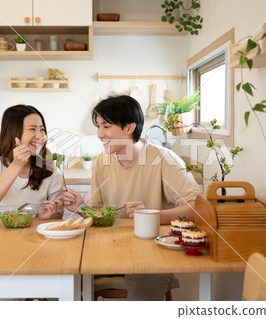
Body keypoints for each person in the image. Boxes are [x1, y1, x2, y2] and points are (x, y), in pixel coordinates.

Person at [62, 95, 201, 300]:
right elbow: (99, 213)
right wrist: (82, 207)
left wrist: (152, 215)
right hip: (108, 247)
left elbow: (197, 207)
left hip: (150, 251)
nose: (99, 134)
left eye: (106, 126)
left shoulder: (163, 159)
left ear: (129, 128)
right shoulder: (102, 160)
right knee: (68, 275)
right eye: (98, 126)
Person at [0, 104, 63, 219]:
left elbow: (58, 213)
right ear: (13, 132)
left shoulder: (49, 163)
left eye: (42, 129)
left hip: (35, 232)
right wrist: (16, 166)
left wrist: (47, 217)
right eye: (32, 129)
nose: (40, 136)